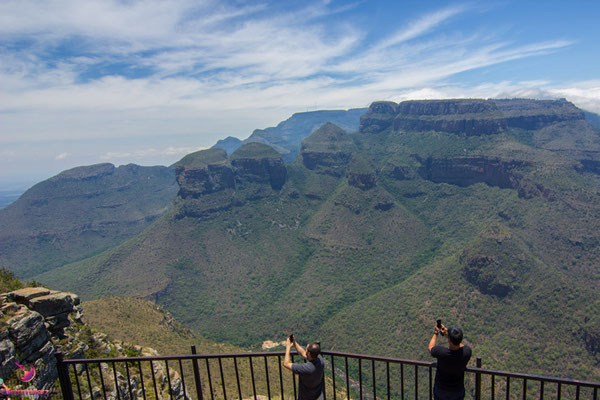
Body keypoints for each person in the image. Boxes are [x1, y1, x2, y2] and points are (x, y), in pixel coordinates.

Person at [428, 323, 472, 400]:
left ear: (449, 340)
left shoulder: (442, 353)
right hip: (457, 391)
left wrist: (436, 332)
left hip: (441, 391)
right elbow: (460, 345)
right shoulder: (467, 352)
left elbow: (430, 347)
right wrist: (449, 336)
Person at [283, 334, 325, 400]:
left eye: (306, 349)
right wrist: (294, 343)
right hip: (318, 396)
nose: (305, 350)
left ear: (309, 353)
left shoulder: (306, 368)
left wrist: (288, 347)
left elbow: (286, 364)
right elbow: (303, 353)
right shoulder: (320, 360)